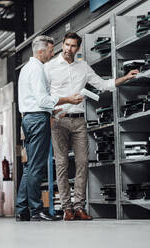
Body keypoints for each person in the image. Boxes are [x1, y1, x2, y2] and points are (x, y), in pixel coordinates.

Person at [44, 32, 139, 221]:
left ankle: (79, 206)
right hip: (59, 120)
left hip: (79, 120)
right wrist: (49, 115)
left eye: (72, 46)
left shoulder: (83, 67)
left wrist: (126, 77)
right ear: (62, 44)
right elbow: (44, 95)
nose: (68, 49)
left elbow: (103, 84)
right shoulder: (49, 67)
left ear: (78, 48)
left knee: (83, 163)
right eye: (66, 45)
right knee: (62, 165)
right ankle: (66, 209)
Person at [16, 35, 84, 222]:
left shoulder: (26, 68)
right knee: (36, 167)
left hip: (31, 118)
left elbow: (36, 100)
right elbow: (43, 100)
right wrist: (68, 99)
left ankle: (22, 209)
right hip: (37, 119)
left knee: (30, 167)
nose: (52, 53)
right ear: (41, 51)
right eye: (50, 50)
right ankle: (36, 210)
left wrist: (53, 111)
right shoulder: (37, 70)